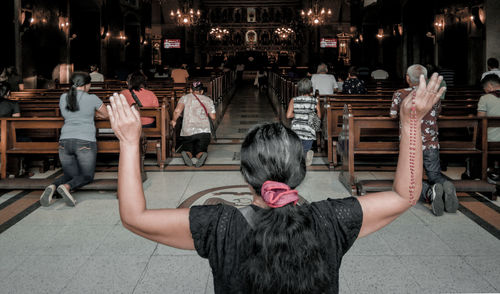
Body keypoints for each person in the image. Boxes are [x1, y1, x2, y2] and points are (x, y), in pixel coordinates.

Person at [106, 73, 444, 293]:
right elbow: (405, 195)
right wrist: (412, 121)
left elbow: (134, 217)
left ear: (245, 174)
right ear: (300, 170)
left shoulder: (219, 226)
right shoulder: (331, 221)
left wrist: (130, 142)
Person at [390, 64, 457, 216]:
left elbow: (393, 114)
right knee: (434, 174)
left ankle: (430, 192)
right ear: (425, 79)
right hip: (430, 141)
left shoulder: (400, 93)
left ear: (407, 78)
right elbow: (437, 111)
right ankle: (445, 185)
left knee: (410, 180)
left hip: (410, 143)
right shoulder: (432, 95)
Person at [39, 72, 108, 207]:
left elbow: (67, 113)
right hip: (85, 141)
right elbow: (105, 114)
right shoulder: (92, 98)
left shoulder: (63, 97)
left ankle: (52, 186)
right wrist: (92, 112)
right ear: (87, 85)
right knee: (87, 176)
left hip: (64, 141)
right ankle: (67, 187)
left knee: (71, 175)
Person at [170, 82, 216, 167]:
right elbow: (213, 117)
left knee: (188, 149)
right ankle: (201, 155)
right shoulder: (208, 100)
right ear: (202, 91)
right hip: (204, 131)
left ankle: (187, 154)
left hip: (187, 131)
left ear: (191, 90)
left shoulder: (184, 98)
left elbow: (177, 111)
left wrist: (173, 120)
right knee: (200, 150)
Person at [286, 78, 321, 166]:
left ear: (299, 89)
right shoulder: (315, 101)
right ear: (310, 89)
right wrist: (308, 114)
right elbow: (319, 116)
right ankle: (307, 153)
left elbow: (288, 115)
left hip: (296, 130)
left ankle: (299, 156)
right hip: (309, 130)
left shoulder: (294, 100)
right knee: (306, 147)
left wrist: (298, 114)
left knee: (296, 146)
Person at [476, 74, 500, 183]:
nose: (485, 91)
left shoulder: (484, 98)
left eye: (485, 88)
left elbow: (481, 119)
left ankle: (485, 172)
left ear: (490, 86)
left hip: (491, 141)